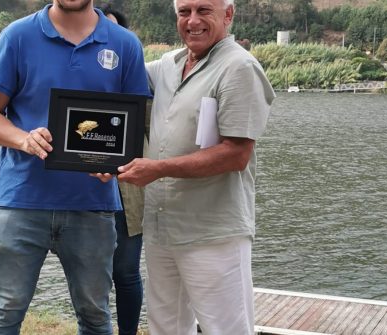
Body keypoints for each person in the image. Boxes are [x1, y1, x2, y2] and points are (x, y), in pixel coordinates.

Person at [0, 0, 149, 334]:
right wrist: (24, 139)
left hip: (93, 205)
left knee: (96, 317)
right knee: (4, 315)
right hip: (20, 202)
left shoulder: (125, 44)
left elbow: (132, 125)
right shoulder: (17, 36)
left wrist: (114, 164)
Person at [117, 0, 275, 334]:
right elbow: (117, 80)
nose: (192, 21)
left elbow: (236, 154)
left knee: (226, 329)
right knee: (166, 327)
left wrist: (158, 169)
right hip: (161, 228)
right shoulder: (168, 65)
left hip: (212, 233)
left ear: (228, 15)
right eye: (184, 12)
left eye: (204, 10)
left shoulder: (239, 68)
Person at [99, 4, 144, 335]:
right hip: (88, 190)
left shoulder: (141, 77)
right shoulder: (83, 84)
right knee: (91, 272)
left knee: (126, 272)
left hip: (128, 191)